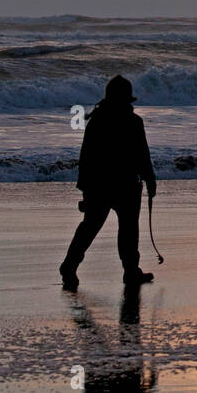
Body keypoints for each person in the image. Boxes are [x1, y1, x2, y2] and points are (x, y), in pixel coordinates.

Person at [60, 75, 158, 289]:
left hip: (99, 185)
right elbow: (142, 155)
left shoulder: (97, 120)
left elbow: (85, 157)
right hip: (125, 185)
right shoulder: (133, 121)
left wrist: (84, 187)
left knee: (90, 227)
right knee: (128, 229)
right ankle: (130, 271)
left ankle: (70, 265)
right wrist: (150, 179)